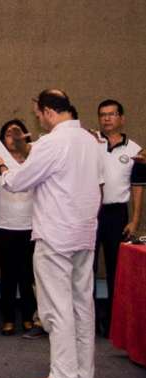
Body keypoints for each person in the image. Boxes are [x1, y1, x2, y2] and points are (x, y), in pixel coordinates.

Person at [0, 89, 102, 378]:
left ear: (49, 111)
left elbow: (17, 182)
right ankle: (83, 372)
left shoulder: (52, 143)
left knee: (56, 307)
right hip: (83, 232)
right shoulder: (91, 141)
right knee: (82, 304)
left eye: (39, 113)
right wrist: (28, 151)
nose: (38, 119)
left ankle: (63, 377)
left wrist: (1, 165)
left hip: (55, 234)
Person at [93, 99, 145, 336]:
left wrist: (134, 220)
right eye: (103, 114)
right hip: (90, 214)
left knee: (117, 270)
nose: (107, 119)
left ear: (122, 118)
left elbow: (137, 187)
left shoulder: (135, 150)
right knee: (85, 270)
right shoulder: (91, 143)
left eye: (112, 114)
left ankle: (113, 323)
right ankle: (88, 321)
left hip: (117, 215)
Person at [0, 119, 37, 336]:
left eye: (17, 133)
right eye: (8, 133)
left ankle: (28, 317)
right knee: (8, 274)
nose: (12, 137)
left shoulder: (36, 157)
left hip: (31, 224)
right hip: (2, 224)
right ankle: (8, 318)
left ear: (25, 136)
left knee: (28, 274)